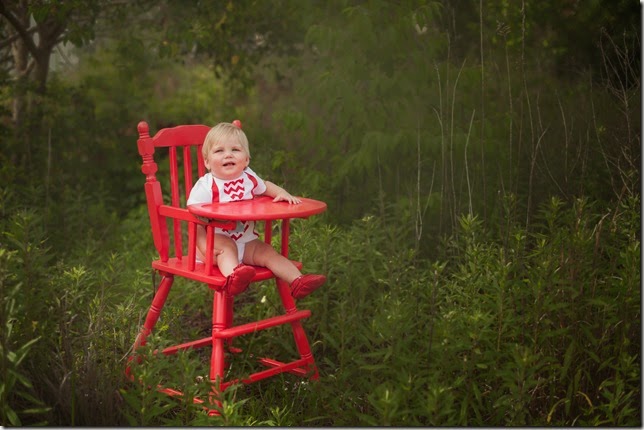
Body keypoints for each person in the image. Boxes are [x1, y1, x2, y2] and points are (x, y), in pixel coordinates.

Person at [187, 121, 326, 298]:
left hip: (246, 241)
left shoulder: (249, 178)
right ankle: (234, 278)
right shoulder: (206, 186)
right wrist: (203, 245)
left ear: (246, 160)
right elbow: (195, 218)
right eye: (219, 151)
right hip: (215, 246)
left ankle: (298, 281)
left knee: (267, 252)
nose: (228, 155)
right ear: (207, 162)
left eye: (235, 150)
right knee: (227, 247)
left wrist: (282, 193)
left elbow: (266, 186)